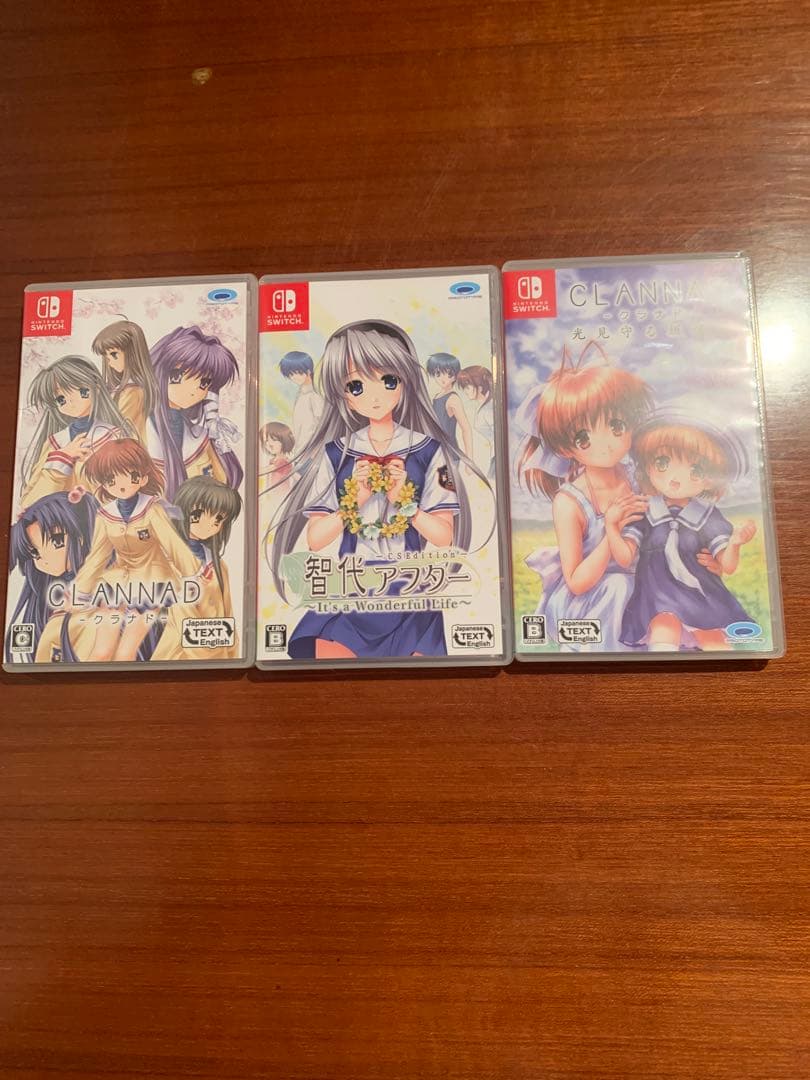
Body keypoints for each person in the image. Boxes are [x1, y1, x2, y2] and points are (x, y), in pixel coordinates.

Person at [267, 320, 490, 659]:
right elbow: (316, 539)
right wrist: (354, 502)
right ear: (342, 395)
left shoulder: (430, 451)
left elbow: (445, 537)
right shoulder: (335, 453)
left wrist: (406, 504)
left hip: (411, 592)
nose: (374, 396)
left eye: (388, 381)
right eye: (356, 385)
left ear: (404, 383)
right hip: (350, 589)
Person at [611, 413, 756, 651]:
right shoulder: (645, 511)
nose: (675, 479)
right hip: (657, 595)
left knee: (713, 640)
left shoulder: (707, 515)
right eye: (662, 463)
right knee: (663, 631)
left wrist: (735, 543)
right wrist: (611, 527)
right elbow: (625, 557)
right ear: (648, 465)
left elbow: (728, 565)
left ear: (710, 480)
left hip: (702, 594)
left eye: (695, 470)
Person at [147, 325, 243, 500]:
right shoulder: (139, 429)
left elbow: (227, 481)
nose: (192, 390)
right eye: (178, 376)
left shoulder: (201, 435)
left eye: (204, 383)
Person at [92, 319, 156, 441]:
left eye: (113, 354)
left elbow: (115, 430)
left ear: (133, 353)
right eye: (106, 356)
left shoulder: (133, 392)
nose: (109, 361)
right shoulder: (118, 389)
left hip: (124, 448)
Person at [425, 352, 473, 456]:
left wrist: (469, 459)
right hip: (435, 453)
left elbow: (466, 429)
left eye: (448, 374)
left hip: (449, 453)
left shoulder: (453, 399)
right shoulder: (436, 396)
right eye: (438, 373)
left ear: (455, 376)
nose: (442, 378)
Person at [280, 350, 323, 449]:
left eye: (296, 373)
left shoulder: (315, 395)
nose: (293, 377)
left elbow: (323, 425)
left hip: (314, 449)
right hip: (301, 448)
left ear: (308, 371)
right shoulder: (301, 394)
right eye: (290, 374)